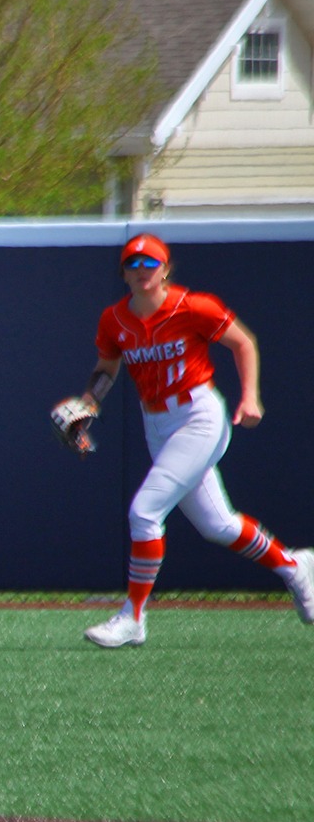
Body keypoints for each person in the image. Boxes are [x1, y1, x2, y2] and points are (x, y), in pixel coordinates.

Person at [72, 233, 314, 648]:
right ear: (124, 273)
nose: (142, 271)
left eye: (150, 264)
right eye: (133, 264)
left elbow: (243, 342)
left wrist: (250, 396)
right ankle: (297, 567)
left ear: (166, 269)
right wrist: (88, 403)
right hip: (157, 424)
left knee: (145, 512)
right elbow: (106, 367)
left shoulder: (193, 306)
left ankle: (133, 617)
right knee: (218, 525)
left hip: (198, 415)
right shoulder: (114, 319)